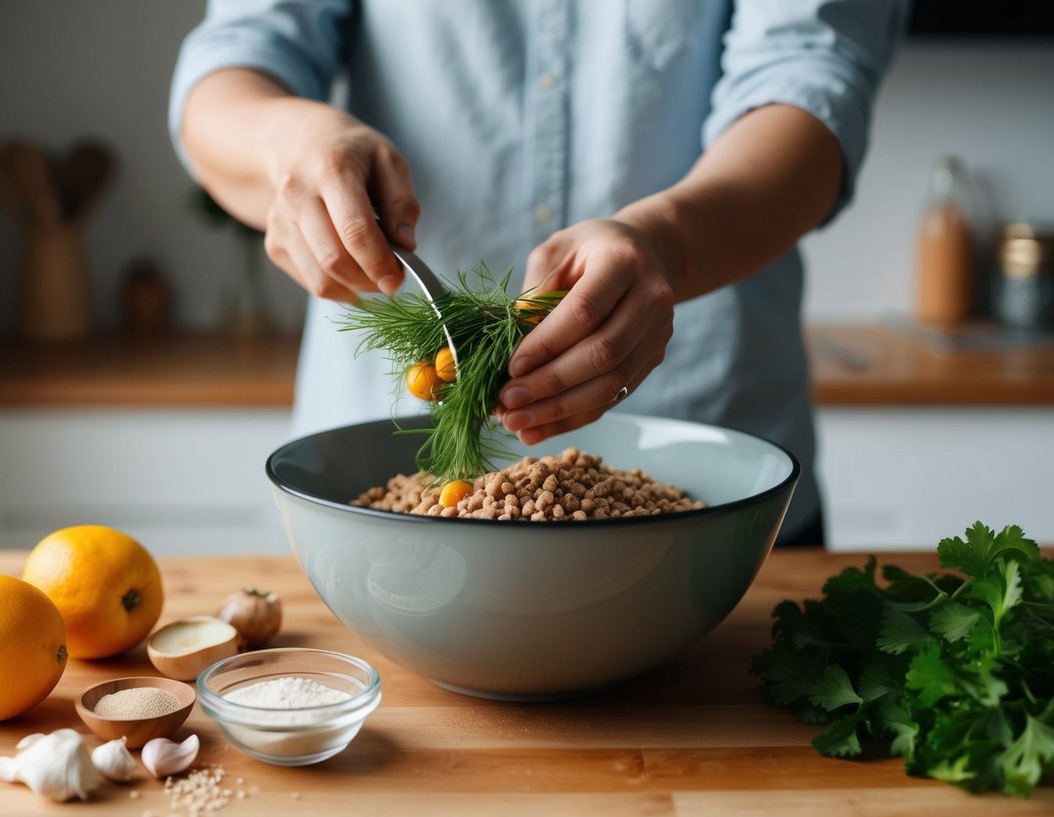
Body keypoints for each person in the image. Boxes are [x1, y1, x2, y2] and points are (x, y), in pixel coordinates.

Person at [170, 0, 905, 546]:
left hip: (716, 474)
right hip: (371, 499)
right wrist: (288, 137)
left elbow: (814, 83)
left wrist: (666, 243)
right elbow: (230, 66)